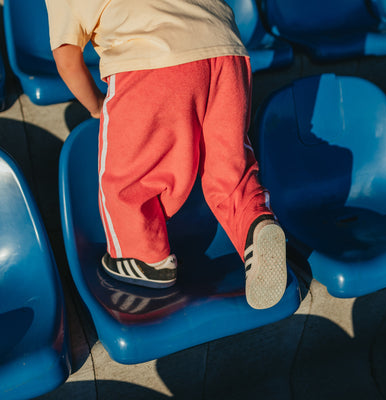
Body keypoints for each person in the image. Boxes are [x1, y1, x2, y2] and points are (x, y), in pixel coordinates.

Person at [45, 0, 287, 310]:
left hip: (150, 59)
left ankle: (142, 259)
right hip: (226, 50)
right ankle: (256, 224)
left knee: (128, 177)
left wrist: (95, 105)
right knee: (229, 165)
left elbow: (65, 58)